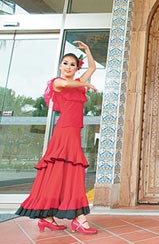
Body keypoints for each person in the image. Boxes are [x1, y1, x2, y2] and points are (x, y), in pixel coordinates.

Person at [15, 41, 98, 235]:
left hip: (73, 131)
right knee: (67, 169)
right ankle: (79, 218)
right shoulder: (56, 82)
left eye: (73, 64)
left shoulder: (77, 83)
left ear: (77, 67)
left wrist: (87, 51)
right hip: (64, 131)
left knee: (64, 170)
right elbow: (67, 83)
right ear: (60, 66)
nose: (69, 67)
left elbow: (92, 67)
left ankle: (47, 217)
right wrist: (85, 83)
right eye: (66, 63)